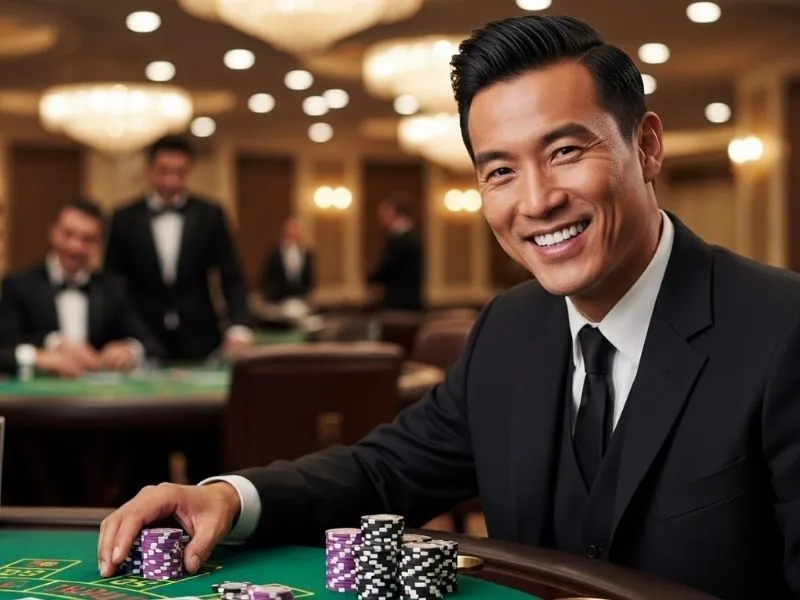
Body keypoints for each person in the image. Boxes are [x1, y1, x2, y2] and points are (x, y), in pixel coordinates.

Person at [97, 16, 800, 599]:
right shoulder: (508, 329)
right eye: (499, 171)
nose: (535, 200)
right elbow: (383, 472)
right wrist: (229, 496)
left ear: (645, 146)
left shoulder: (782, 329)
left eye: (564, 151)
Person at [104, 135, 253, 362]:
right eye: (163, 171)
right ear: (148, 170)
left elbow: (231, 276)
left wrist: (239, 328)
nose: (171, 182)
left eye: (180, 173)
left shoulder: (210, 215)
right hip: (141, 338)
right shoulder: (124, 218)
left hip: (201, 337)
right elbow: (112, 282)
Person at [0, 198, 161, 377]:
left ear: (99, 245)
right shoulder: (19, 284)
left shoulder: (113, 288)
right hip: (36, 399)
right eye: (68, 234)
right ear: (53, 232)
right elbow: (6, 345)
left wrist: (130, 351)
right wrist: (52, 344)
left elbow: (151, 344)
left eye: (88, 239)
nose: (75, 247)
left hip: (97, 399)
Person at [367, 195, 424, 311]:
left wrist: (370, 276)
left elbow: (386, 267)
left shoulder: (398, 239)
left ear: (394, 213)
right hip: (410, 302)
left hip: (399, 304)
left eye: (384, 212)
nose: (380, 217)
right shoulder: (413, 236)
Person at [260, 216, 315, 304]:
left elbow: (310, 279)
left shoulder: (307, 254)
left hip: (301, 300)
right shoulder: (275, 254)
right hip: (278, 301)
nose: (294, 231)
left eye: (296, 228)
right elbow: (267, 278)